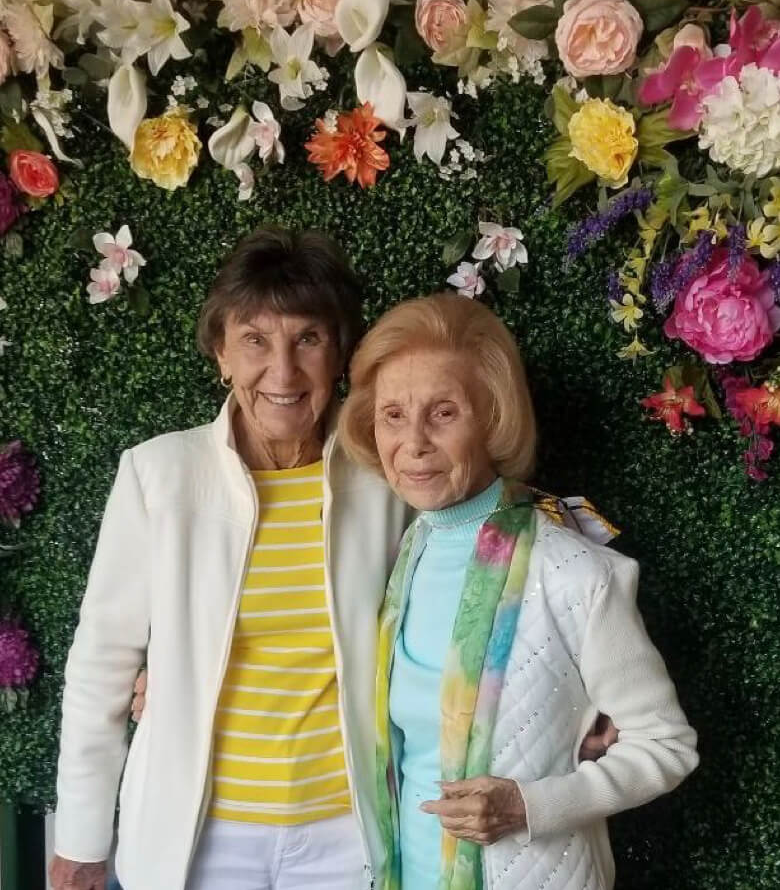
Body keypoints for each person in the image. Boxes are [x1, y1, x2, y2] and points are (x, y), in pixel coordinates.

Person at [50, 227, 408, 890]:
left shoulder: (388, 478)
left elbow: (466, 601)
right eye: (255, 340)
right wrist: (80, 834)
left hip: (348, 834)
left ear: (340, 356)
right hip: (197, 839)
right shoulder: (157, 475)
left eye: (308, 338)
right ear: (220, 353)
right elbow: (102, 662)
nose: (282, 371)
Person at [338, 293, 699, 890]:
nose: (414, 442)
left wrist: (529, 806)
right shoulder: (405, 555)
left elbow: (668, 747)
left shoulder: (575, 573)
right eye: (393, 414)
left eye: (444, 412)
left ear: (494, 416)